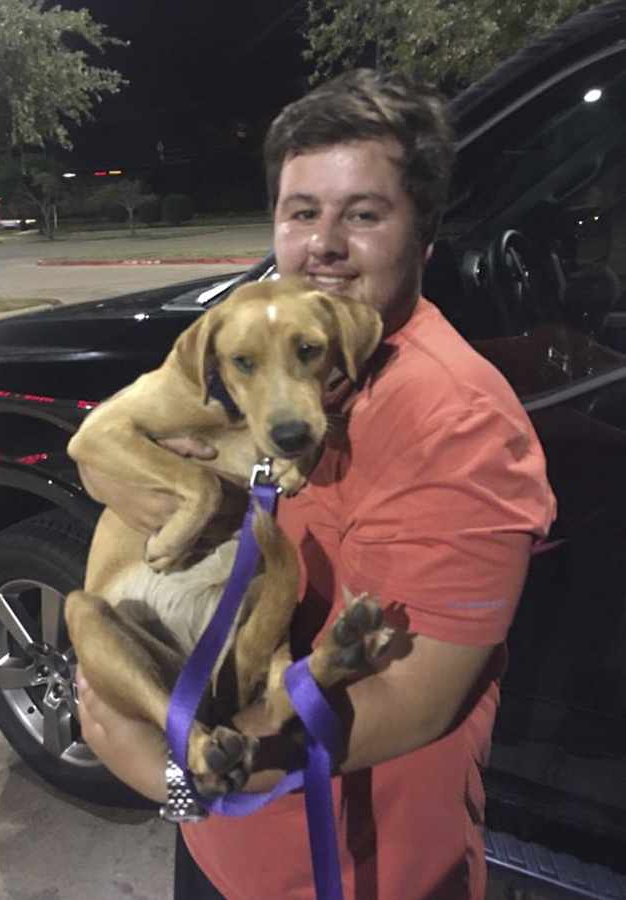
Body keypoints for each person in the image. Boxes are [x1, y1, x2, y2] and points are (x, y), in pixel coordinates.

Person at [75, 69, 556, 900]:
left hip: (352, 866)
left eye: (363, 214)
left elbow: (411, 703)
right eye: (303, 213)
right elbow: (107, 444)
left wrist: (180, 781)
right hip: (227, 852)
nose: (323, 244)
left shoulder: (458, 425)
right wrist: (120, 476)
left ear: (428, 227)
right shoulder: (281, 347)